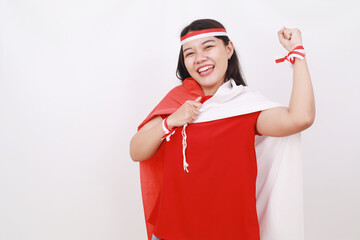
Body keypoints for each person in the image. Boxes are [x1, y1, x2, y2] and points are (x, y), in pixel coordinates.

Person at [130, 19, 315, 240]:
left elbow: (300, 118)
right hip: (172, 234)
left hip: (232, 233)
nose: (199, 58)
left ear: (228, 49)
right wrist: (170, 122)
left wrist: (297, 52)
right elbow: (136, 151)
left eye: (208, 47)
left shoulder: (246, 106)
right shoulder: (177, 101)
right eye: (189, 53)